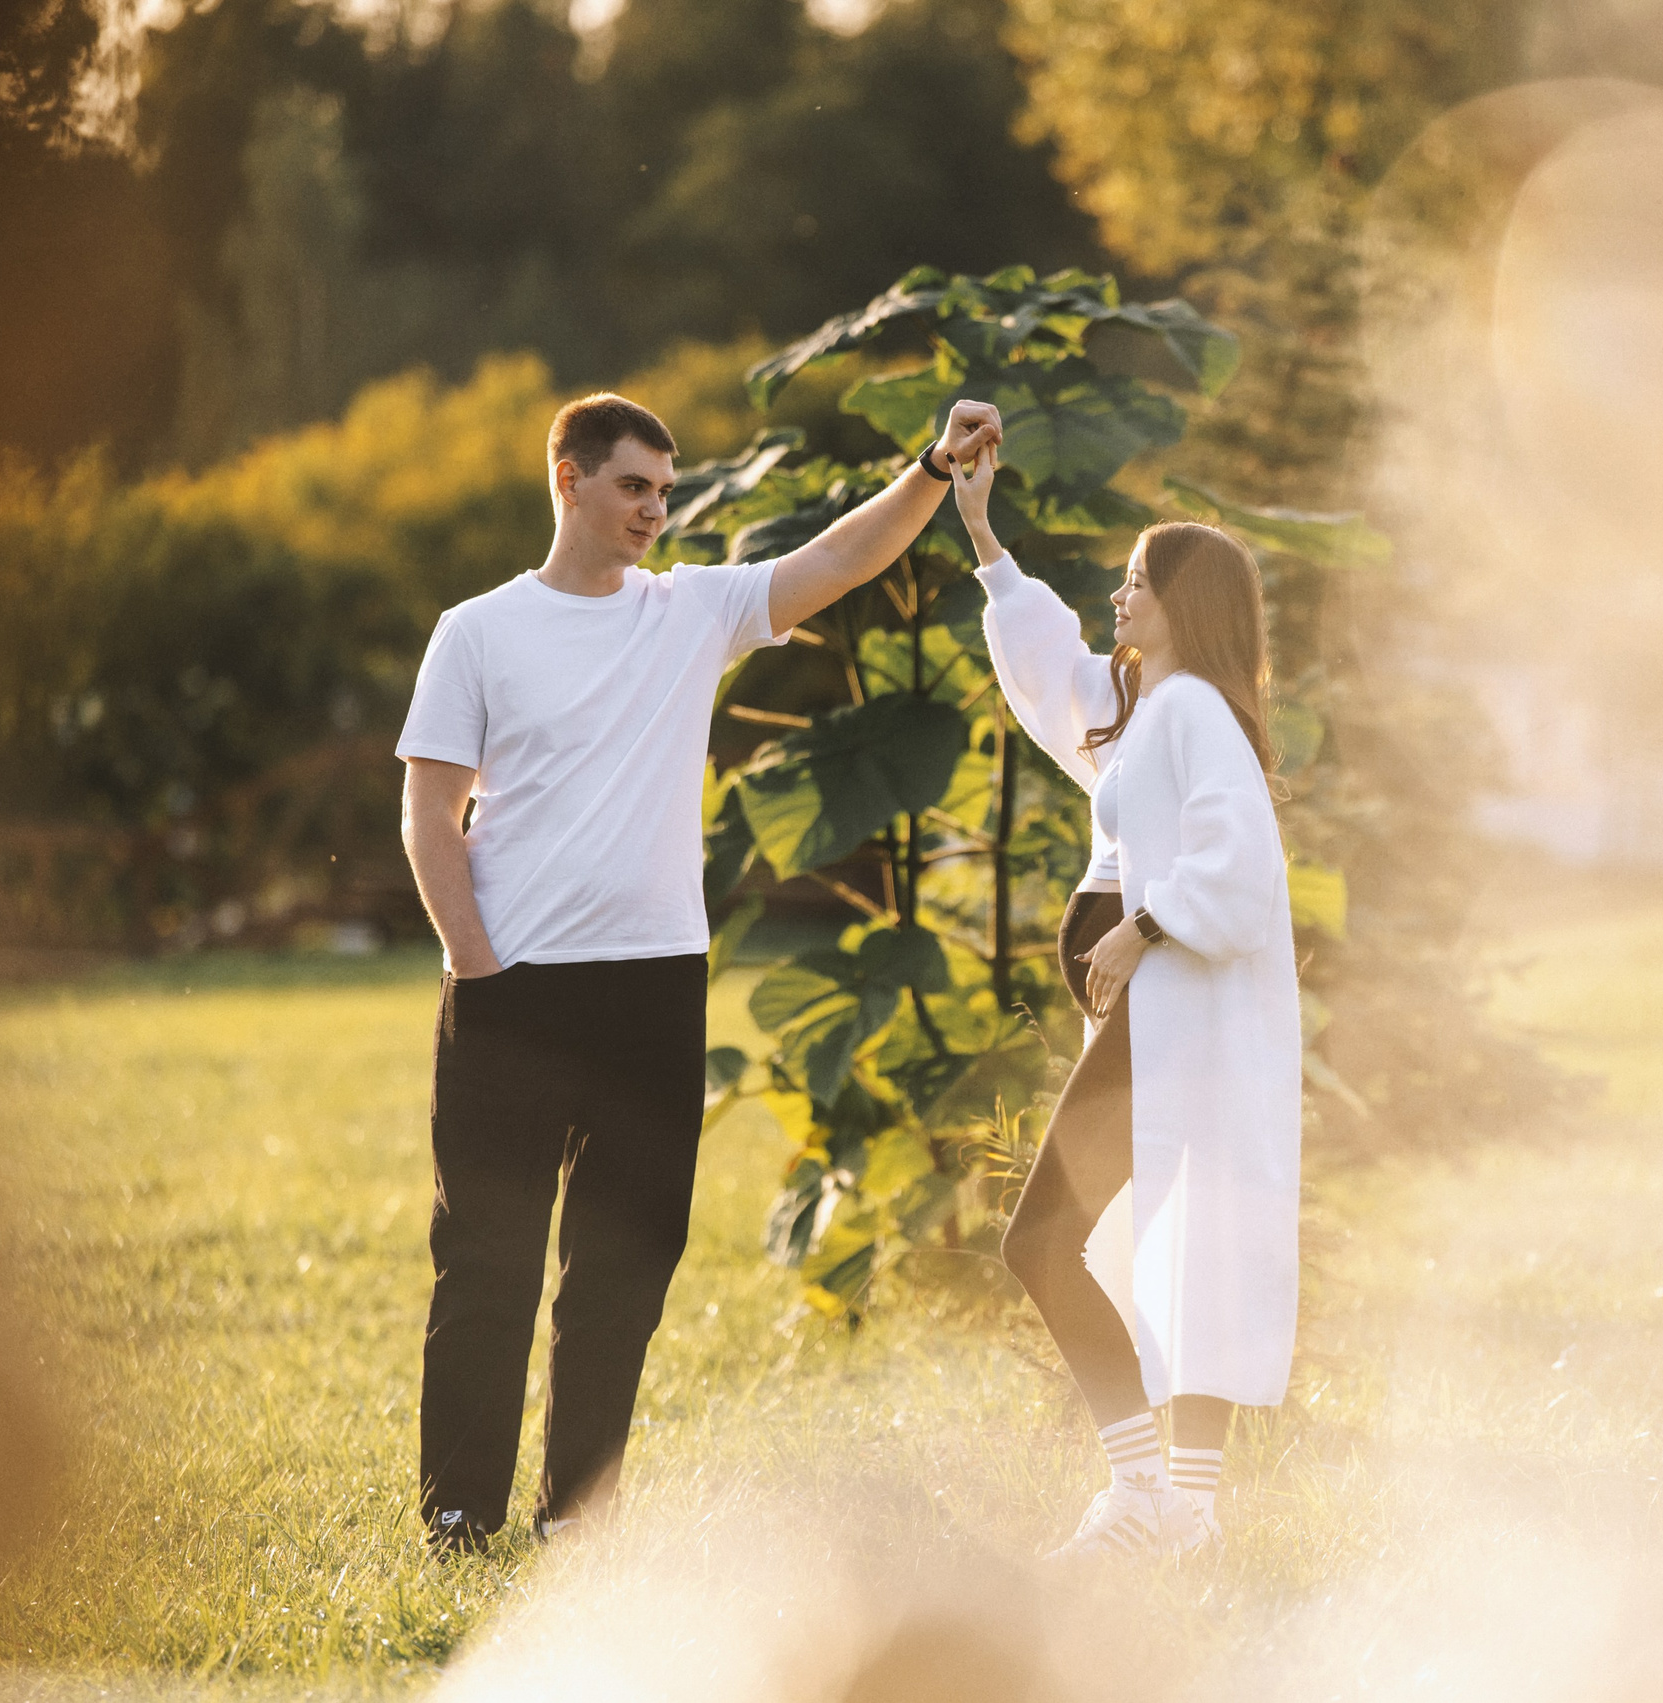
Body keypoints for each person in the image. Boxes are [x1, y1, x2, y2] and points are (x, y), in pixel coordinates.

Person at [396, 390, 1001, 1554]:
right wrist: (479, 967)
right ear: (567, 479)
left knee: (621, 1262)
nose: (654, 512)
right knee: (488, 1257)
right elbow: (428, 813)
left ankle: (579, 1515)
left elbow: (840, 554)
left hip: (656, 987)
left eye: (666, 492)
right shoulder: (476, 630)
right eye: (634, 486)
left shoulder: (691, 612)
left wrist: (930, 464)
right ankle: (458, 1515)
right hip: (512, 988)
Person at [950, 449, 1302, 1559]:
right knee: (1187, 1244)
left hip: (1174, 1017)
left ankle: (1142, 1491)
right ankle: (1184, 1512)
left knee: (1042, 1236)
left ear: (1181, 604)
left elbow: (1240, 865)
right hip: (1155, 1021)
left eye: (1137, 580)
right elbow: (1062, 679)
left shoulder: (1193, 709)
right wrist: (982, 532)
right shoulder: (1150, 708)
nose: (1117, 593)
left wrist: (1141, 923)